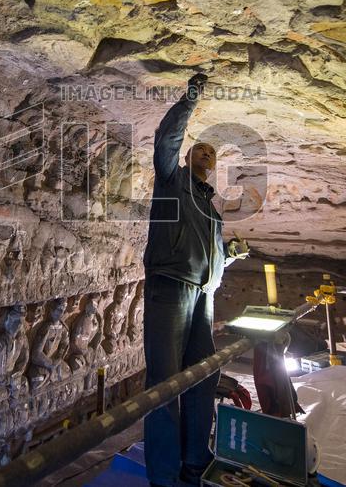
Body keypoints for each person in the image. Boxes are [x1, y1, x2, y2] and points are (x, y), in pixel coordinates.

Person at [143, 72, 249, 487]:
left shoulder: (212, 211)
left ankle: (194, 462)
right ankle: (166, 478)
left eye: (212, 154)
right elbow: (165, 140)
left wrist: (230, 256)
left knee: (204, 378)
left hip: (203, 298)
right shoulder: (171, 182)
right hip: (169, 288)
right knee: (166, 385)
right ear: (188, 158)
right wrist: (189, 101)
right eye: (200, 150)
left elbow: (209, 257)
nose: (207, 155)